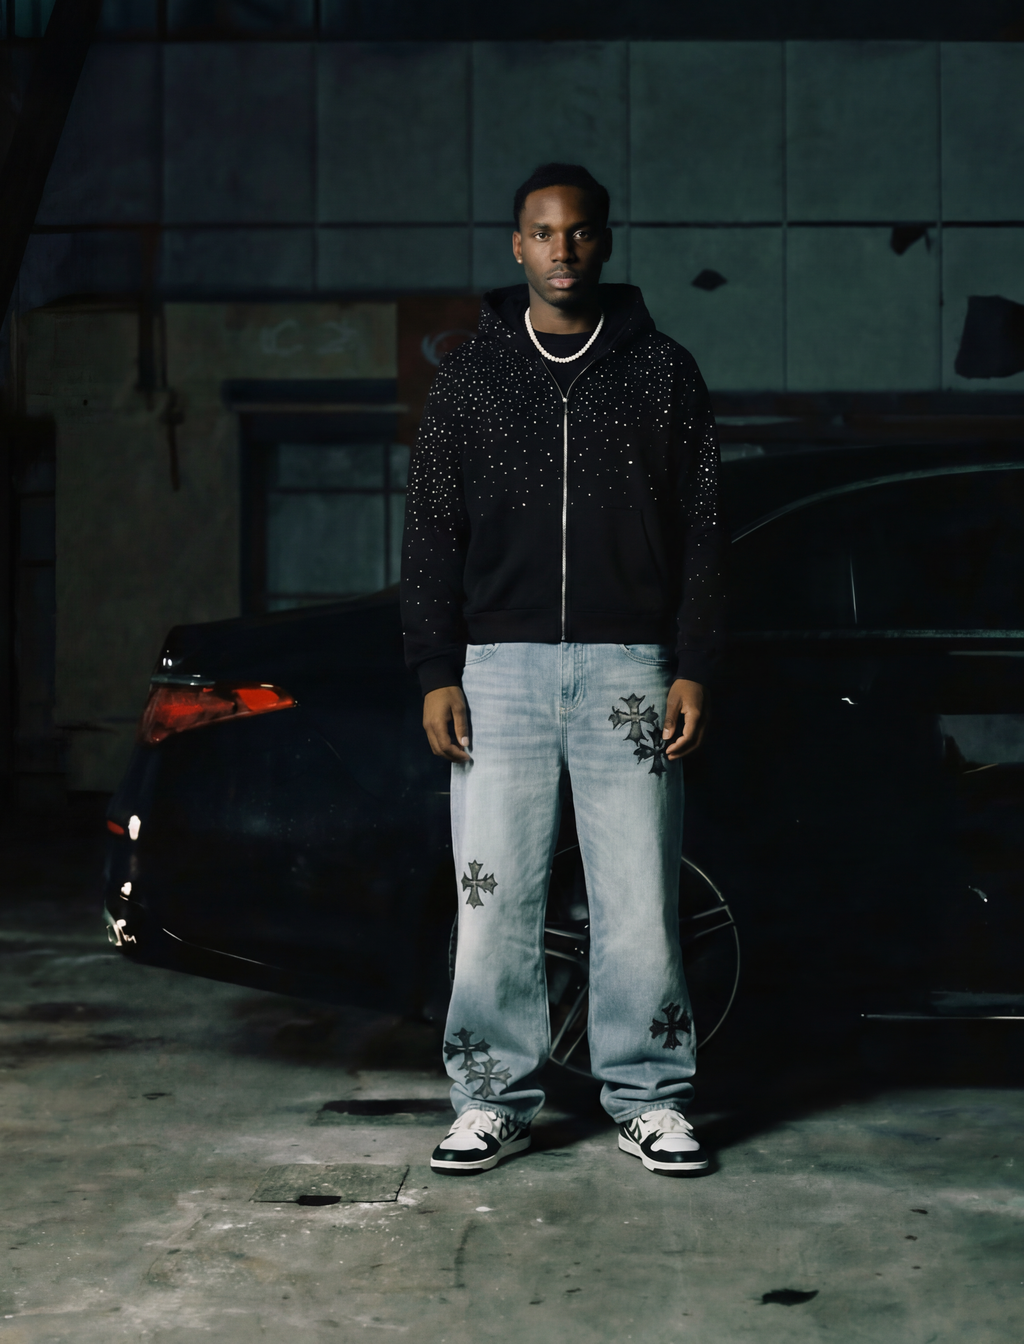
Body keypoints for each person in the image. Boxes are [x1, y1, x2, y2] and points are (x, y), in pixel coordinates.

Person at [400, 162, 724, 1177]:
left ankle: (651, 1098)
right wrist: (435, 667)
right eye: (543, 233)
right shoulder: (472, 379)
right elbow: (431, 531)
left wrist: (695, 662)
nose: (563, 250)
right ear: (518, 246)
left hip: (632, 667)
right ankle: (489, 1099)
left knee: (639, 896)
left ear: (605, 241)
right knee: (493, 897)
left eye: (579, 232)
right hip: (498, 672)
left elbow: (706, 529)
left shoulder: (662, 372)